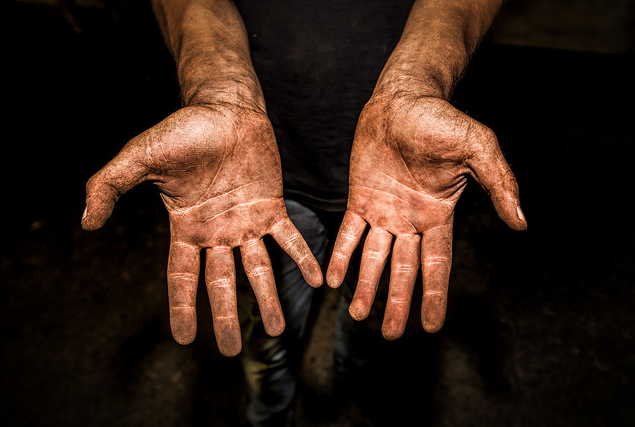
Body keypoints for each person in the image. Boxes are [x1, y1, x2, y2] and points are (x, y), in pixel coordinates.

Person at [82, 0, 527, 425]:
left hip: (401, 181)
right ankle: (272, 414)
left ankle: (355, 378)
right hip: (255, 177)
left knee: (372, 312)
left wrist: (416, 81)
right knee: (268, 334)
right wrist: (221, 90)